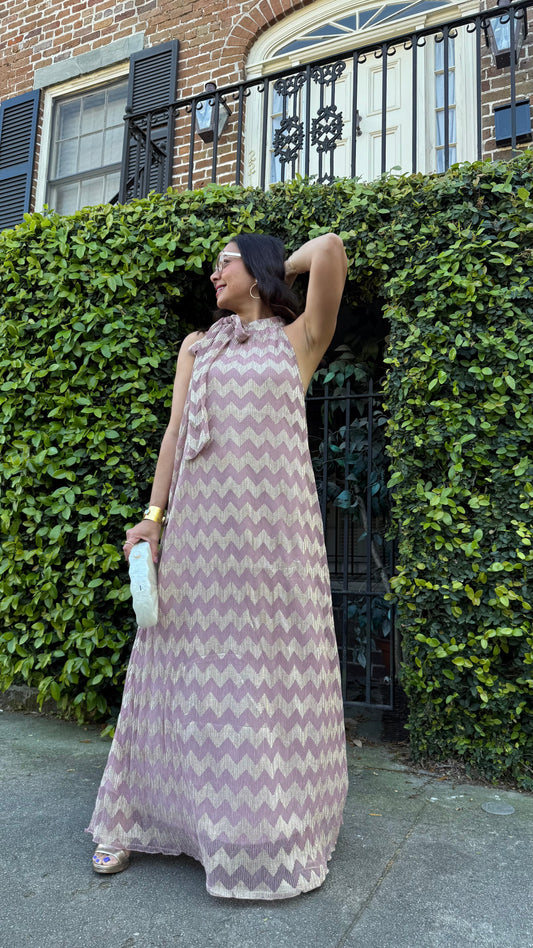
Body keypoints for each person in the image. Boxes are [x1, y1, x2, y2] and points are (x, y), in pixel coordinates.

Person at [87, 231, 349, 900]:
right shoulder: (197, 347)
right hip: (202, 536)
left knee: (264, 677)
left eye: (221, 262)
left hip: (272, 544)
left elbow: (329, 250)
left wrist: (264, 266)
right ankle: (136, 815)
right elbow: (177, 430)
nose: (212, 275)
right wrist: (153, 515)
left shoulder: (299, 341)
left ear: (254, 271)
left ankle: (259, 828)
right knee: (172, 669)